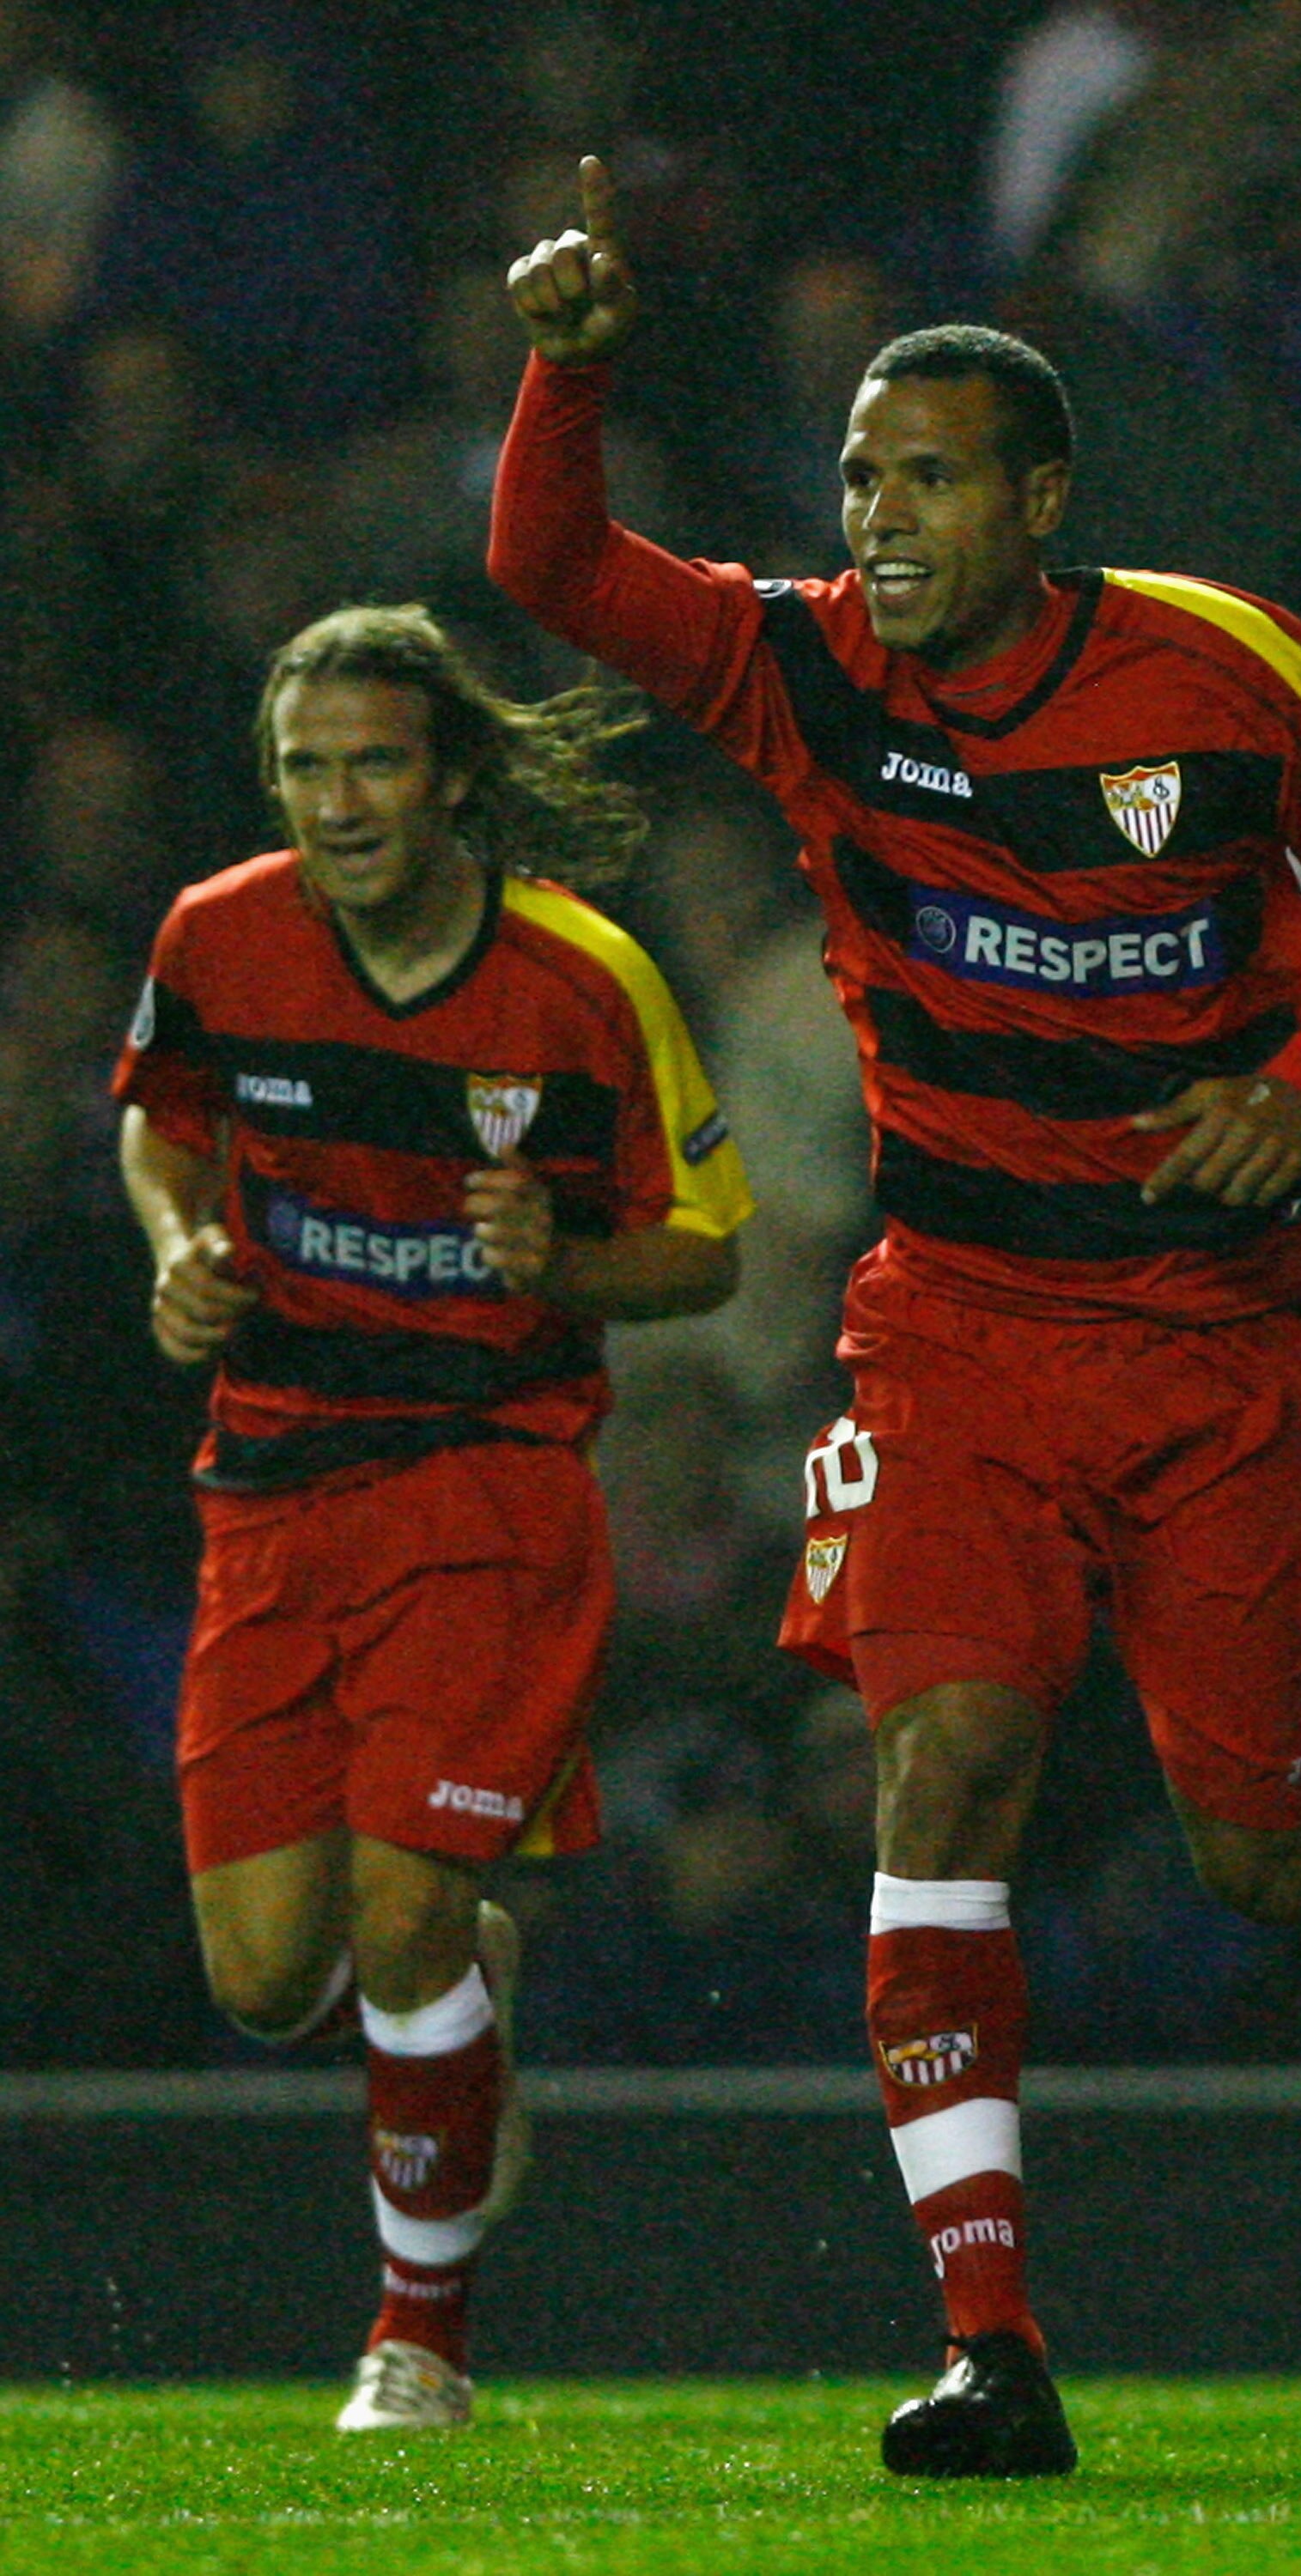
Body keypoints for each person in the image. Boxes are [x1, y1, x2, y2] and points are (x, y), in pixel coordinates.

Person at [490, 159, 1301, 2481]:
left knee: (1250, 1841)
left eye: (931, 475)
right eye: (861, 475)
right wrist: (569, 375)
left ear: (1042, 499)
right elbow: (547, 572)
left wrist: (1300, 1077)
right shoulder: (807, 672)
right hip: (953, 1331)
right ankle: (993, 2347)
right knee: (940, 1770)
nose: (882, 515)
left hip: (1215, 1343)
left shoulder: (1213, 670)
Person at [112, 600, 751, 2431]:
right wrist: (182, 1245)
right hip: (273, 1492)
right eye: (304, 769)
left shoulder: (580, 979)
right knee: (260, 1981)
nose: (337, 801)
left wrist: (570, 1259)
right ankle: (453, 2009)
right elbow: (158, 1119)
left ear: (454, 777)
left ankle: (422, 2341)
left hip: (485, 1487)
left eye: (374, 761)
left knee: (396, 1919)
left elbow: (705, 1255)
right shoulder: (217, 941)